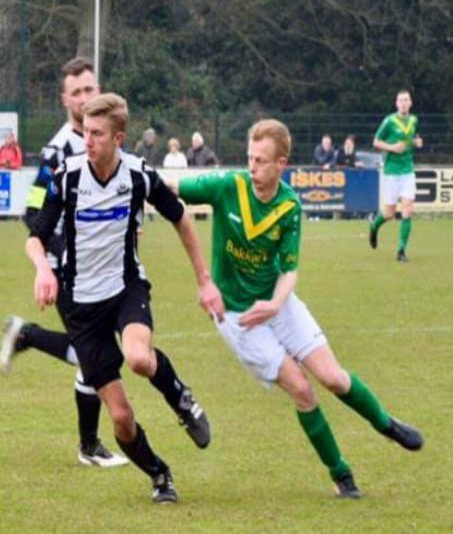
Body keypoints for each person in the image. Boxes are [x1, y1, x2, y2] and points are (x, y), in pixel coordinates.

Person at [172, 118, 424, 499]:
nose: (252, 167)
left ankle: (386, 424)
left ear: (281, 164)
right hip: (236, 316)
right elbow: (170, 189)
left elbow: (289, 270)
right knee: (303, 390)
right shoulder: (228, 186)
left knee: (334, 378)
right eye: (250, 158)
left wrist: (274, 303)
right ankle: (342, 475)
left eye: (261, 160)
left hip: (278, 301)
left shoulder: (289, 205)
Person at [27, 93, 219, 503]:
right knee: (121, 418)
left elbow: (180, 216)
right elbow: (35, 236)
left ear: (118, 137)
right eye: (85, 132)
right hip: (80, 306)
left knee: (139, 358)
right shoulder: (67, 177)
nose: (88, 141)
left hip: (125, 288)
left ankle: (181, 399)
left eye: (96, 134)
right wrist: (43, 268)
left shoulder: (138, 175)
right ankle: (159, 474)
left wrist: (204, 279)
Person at [0, 57, 127, 468]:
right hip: (70, 272)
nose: (85, 97)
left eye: (90, 89)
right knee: (95, 355)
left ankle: (27, 336)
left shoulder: (107, 141)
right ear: (65, 100)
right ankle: (89, 446)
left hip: (104, 270)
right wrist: (54, 260)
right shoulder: (58, 151)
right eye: (77, 92)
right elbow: (33, 213)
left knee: (92, 354)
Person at [369, 90, 423, 262]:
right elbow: (376, 141)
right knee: (389, 214)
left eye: (406, 100)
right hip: (392, 172)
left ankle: (401, 251)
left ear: (411, 103)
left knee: (408, 209)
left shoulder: (414, 120)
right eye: (401, 100)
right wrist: (392, 148)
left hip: (408, 171)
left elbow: (411, 139)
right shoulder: (389, 121)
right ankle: (374, 225)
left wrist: (416, 142)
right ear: (396, 103)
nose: (404, 103)